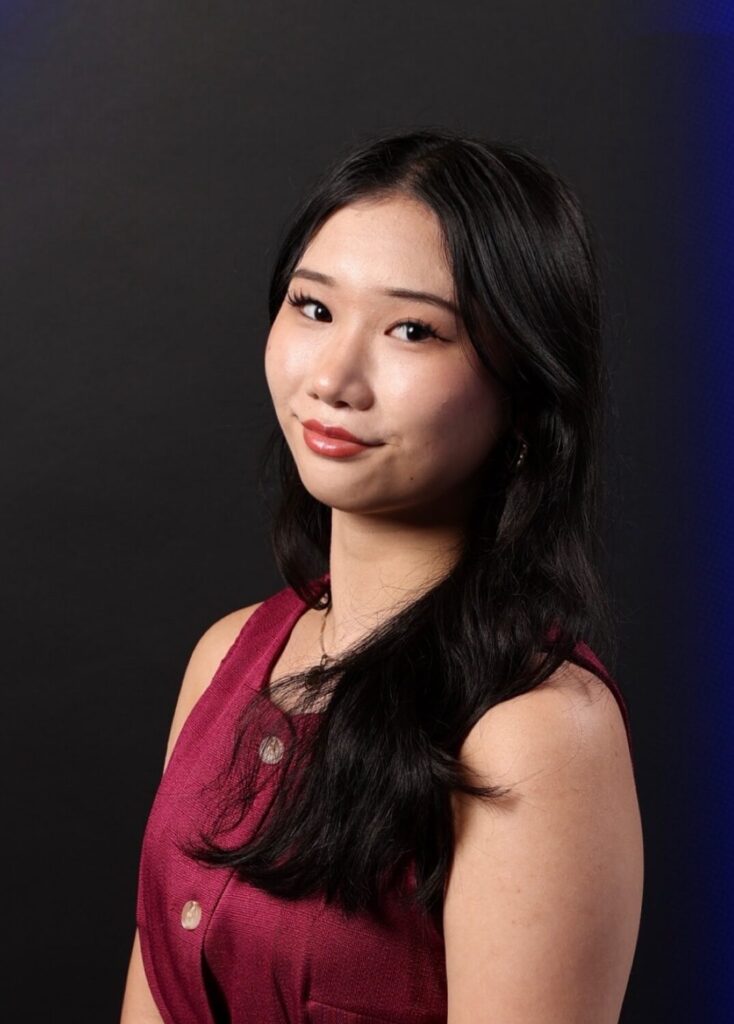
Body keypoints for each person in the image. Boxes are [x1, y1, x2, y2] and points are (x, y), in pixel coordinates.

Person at [120, 127, 643, 1024]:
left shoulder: (535, 732)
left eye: (413, 330)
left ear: (523, 395)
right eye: (314, 307)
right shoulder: (228, 657)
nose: (333, 377)